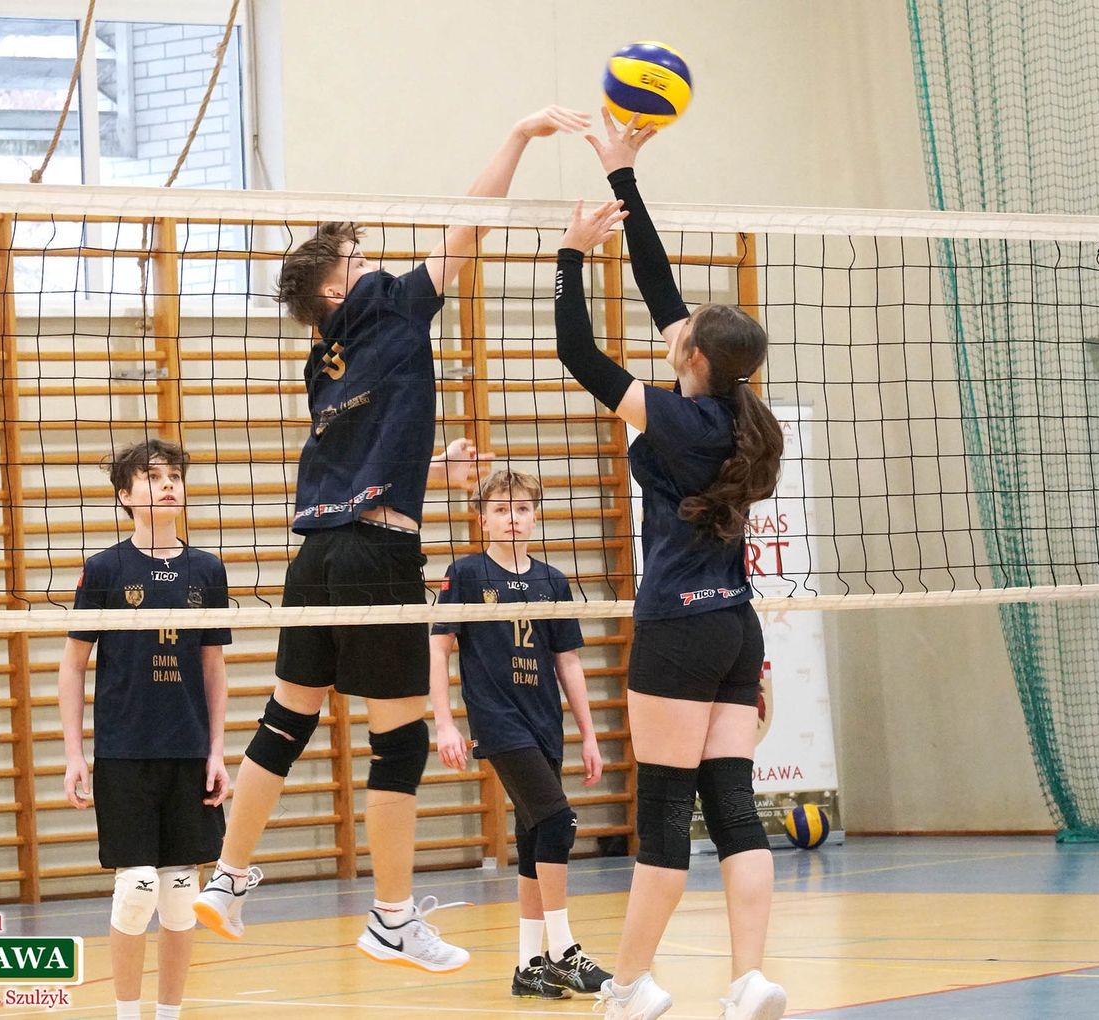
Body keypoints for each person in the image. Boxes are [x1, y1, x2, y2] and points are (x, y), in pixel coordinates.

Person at [192, 105, 591, 974]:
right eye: (358, 261)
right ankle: (392, 919)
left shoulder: (323, 360)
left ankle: (225, 878)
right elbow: (470, 225)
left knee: (285, 721)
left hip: (317, 556)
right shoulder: (392, 309)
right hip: (377, 558)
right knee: (401, 742)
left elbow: (362, 449)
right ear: (340, 291)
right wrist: (517, 136)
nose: (373, 265)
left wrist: (429, 468)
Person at [552, 109, 789, 1020]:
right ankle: (749, 979)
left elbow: (578, 353)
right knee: (733, 809)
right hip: (734, 629)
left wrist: (572, 255)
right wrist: (623, 178)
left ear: (692, 357)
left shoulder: (679, 420)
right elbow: (662, 289)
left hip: (679, 631)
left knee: (661, 814)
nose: (672, 329)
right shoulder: (741, 413)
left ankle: (629, 987)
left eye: (682, 334)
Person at [58, 439, 232, 1020]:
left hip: (188, 752)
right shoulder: (105, 569)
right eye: (153, 476)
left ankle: (169, 1015)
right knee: (135, 890)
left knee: (181, 895)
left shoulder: (207, 569)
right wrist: (75, 755)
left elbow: (213, 668)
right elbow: (72, 665)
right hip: (124, 753)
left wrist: (217, 751)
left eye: (174, 475)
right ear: (125, 495)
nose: (168, 484)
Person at [429, 469, 612, 999]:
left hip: (544, 721)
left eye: (523, 508)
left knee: (535, 838)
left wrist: (589, 735)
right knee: (558, 820)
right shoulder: (465, 573)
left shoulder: (553, 580)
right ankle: (563, 951)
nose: (513, 518)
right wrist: (445, 723)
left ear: (535, 516)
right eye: (501, 509)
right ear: (482, 519)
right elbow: (439, 649)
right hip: (498, 720)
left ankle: (528, 965)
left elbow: (568, 662)